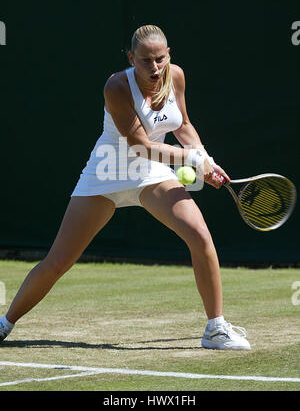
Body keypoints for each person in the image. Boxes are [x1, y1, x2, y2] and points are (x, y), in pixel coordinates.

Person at [0, 25, 250, 350]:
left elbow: (184, 124)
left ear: (169, 55)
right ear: (132, 58)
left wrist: (205, 158)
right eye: (146, 60)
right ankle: (5, 324)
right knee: (58, 261)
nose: (155, 67)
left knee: (200, 236)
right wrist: (191, 159)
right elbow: (140, 146)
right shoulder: (117, 86)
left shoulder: (176, 77)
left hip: (152, 174)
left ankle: (215, 329)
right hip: (106, 173)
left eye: (160, 59)